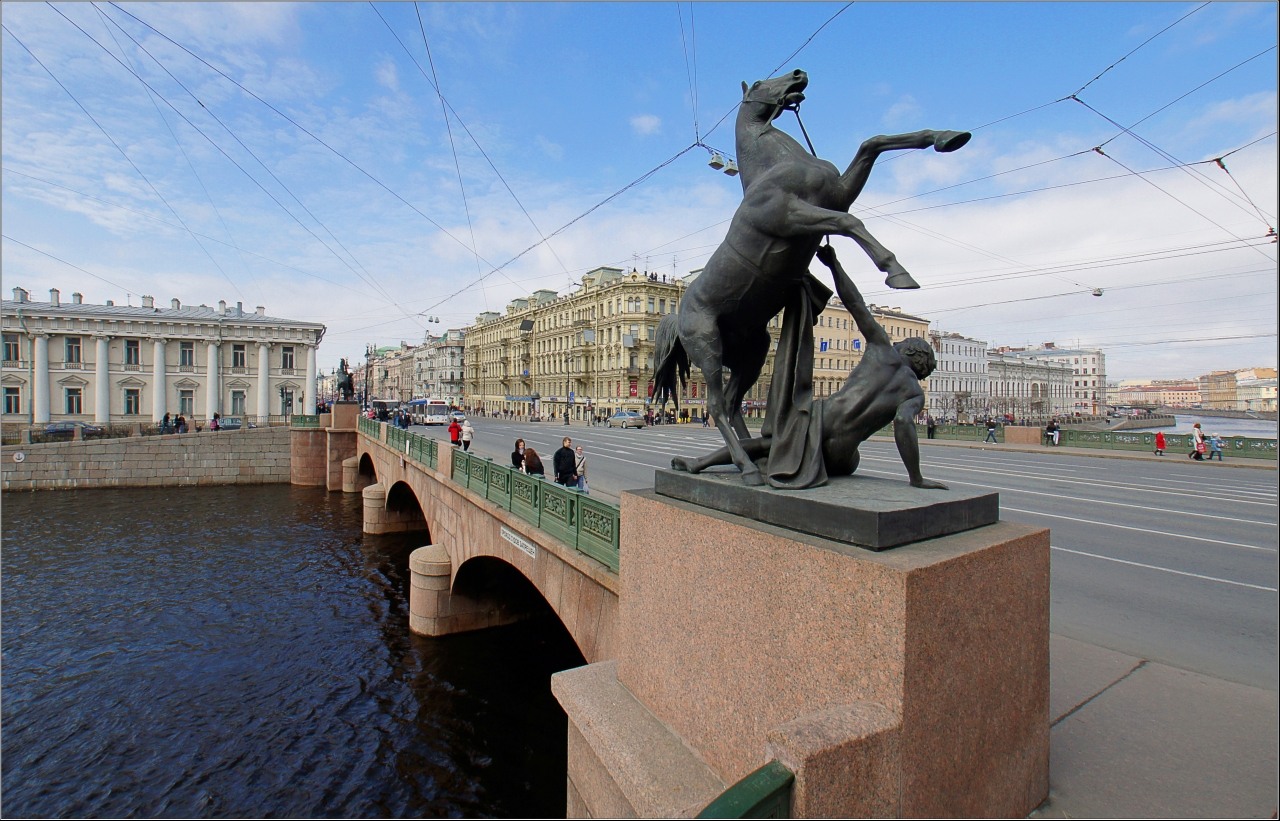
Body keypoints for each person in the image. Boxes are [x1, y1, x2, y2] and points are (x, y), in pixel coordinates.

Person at [672, 244, 946, 490]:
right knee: (848, 459)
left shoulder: (882, 349)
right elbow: (903, 423)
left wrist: (834, 265)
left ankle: (701, 462)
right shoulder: (914, 394)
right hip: (842, 455)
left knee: (766, 445)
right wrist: (916, 478)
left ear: (909, 349)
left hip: (821, 420)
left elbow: (855, 303)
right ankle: (713, 462)